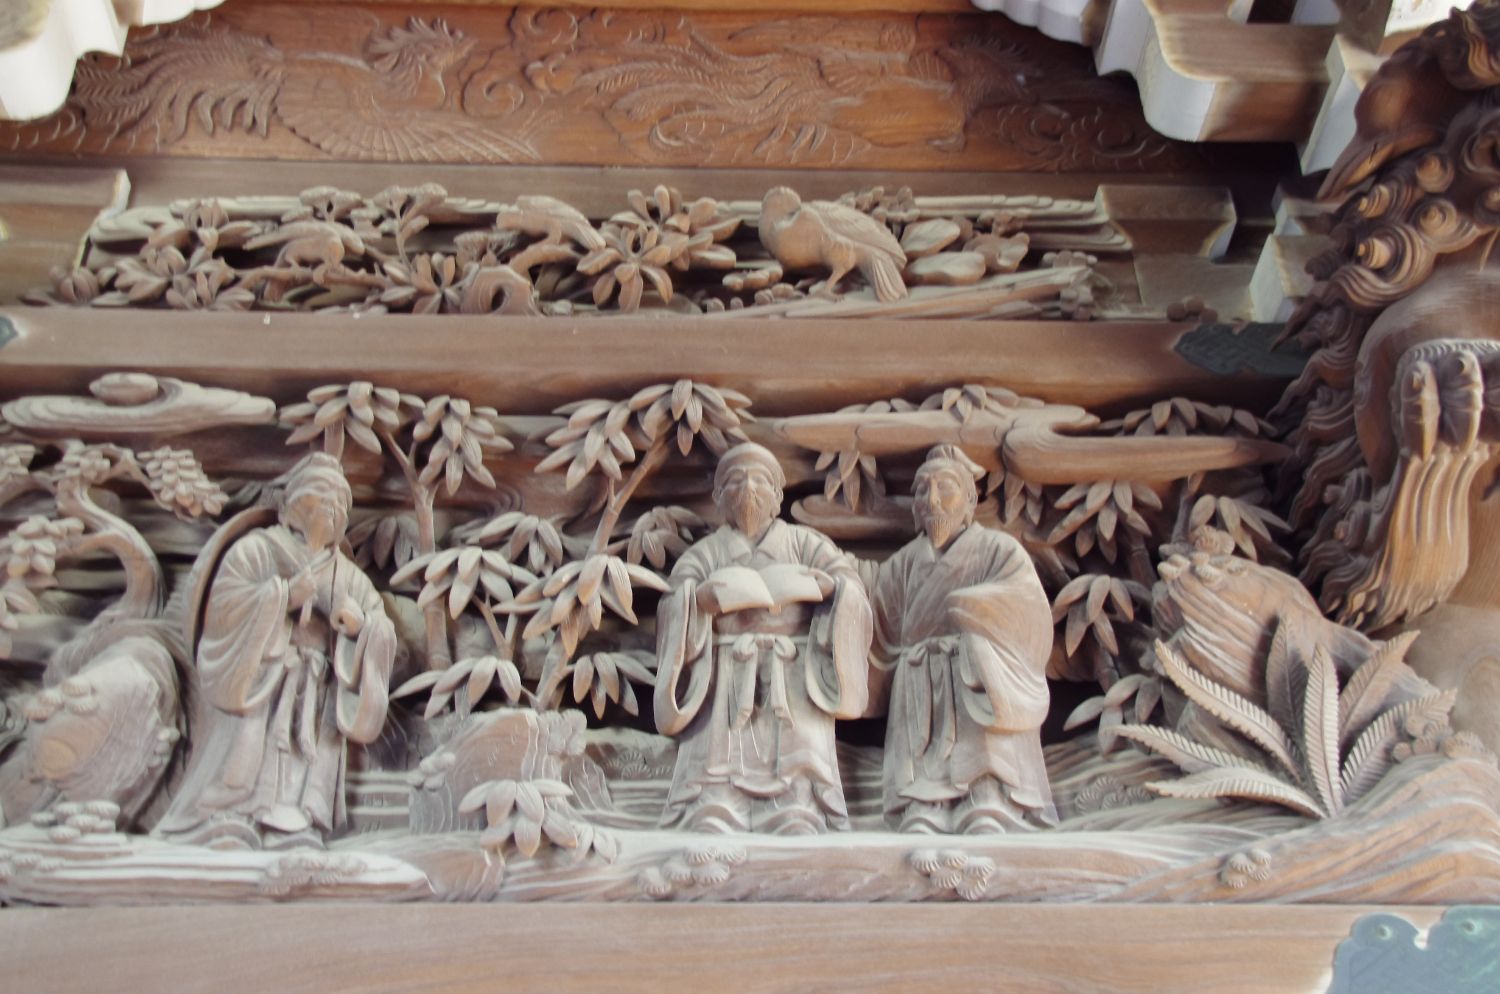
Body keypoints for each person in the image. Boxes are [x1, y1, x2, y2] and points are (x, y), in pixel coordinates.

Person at [155, 453, 396, 848]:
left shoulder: (348, 575)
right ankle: (230, 818)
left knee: (308, 757)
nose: (330, 507)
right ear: (289, 505)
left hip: (315, 685)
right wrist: (281, 596)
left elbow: (381, 627)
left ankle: (295, 827)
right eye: (319, 495)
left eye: (340, 502)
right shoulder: (257, 550)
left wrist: (360, 626)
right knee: (249, 749)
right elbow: (225, 605)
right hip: (262, 677)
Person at [654, 442, 872, 834]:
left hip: (792, 669)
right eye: (736, 482)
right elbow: (673, 601)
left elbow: (850, 586)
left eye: (759, 481)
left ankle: (798, 807)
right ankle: (716, 807)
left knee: (797, 757)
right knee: (718, 762)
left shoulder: (805, 543)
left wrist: (830, 588)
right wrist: (697, 600)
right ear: (719, 497)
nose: (748, 489)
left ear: (777, 495)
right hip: (726, 670)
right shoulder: (706, 553)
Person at [870, 445, 1056, 833]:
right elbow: (877, 618)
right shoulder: (903, 563)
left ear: (970, 500)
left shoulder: (998, 550)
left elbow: (1027, 607)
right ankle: (923, 808)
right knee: (924, 767)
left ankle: (988, 803)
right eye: (923, 490)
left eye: (946, 487)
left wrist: (974, 609)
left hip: (973, 671)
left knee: (981, 756)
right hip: (919, 676)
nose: (932, 499)